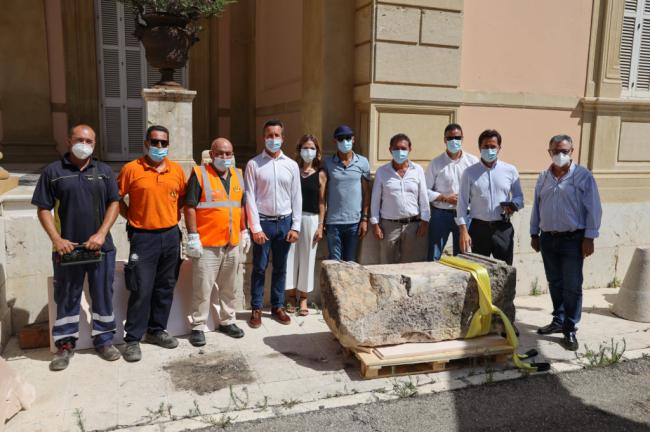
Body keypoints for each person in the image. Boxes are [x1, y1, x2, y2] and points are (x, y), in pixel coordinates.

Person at [32, 124, 121, 371]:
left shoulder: (103, 171)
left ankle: (104, 341)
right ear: (68, 140)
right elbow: (43, 209)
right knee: (67, 297)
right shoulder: (53, 172)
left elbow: (115, 203)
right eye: (80, 139)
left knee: (103, 295)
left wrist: (102, 234)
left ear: (95, 144)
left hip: (100, 248)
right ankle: (64, 346)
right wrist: (57, 240)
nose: (84, 144)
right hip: (67, 250)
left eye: (89, 141)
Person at [117, 125, 186, 362]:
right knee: (141, 287)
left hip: (170, 236)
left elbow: (183, 200)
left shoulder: (176, 170)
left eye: (163, 143)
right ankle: (133, 339)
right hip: (142, 238)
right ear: (146, 143)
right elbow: (116, 198)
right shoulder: (131, 169)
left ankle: (157, 330)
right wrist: (132, 217)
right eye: (155, 142)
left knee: (165, 285)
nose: (159, 147)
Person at [530, 135, 602, 351]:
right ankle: (558, 320)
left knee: (572, 285)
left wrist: (589, 237)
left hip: (573, 240)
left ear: (572, 151)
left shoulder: (583, 176)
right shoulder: (543, 177)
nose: (560, 155)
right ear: (549, 151)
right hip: (548, 239)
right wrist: (534, 234)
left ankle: (570, 328)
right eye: (555, 151)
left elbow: (594, 209)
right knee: (555, 282)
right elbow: (537, 206)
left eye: (565, 151)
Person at [184, 138, 250, 347]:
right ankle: (198, 325)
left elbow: (240, 207)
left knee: (229, 287)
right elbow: (190, 206)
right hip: (207, 244)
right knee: (202, 288)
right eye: (220, 153)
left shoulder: (238, 175)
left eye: (228, 153)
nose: (224, 157)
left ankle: (227, 321)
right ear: (211, 155)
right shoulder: (199, 174)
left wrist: (244, 230)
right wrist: (192, 235)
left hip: (232, 243)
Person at [245, 119, 301, 328]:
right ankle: (257, 307)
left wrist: (296, 226)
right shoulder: (254, 164)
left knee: (281, 267)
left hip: (285, 223)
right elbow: (249, 197)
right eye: (270, 135)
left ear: (283, 138)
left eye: (277, 135)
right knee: (259, 267)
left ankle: (278, 306)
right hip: (264, 224)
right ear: (263, 137)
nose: (273, 139)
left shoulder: (291, 165)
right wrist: (256, 228)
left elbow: (297, 197)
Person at [456, 129, 524, 265]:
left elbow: (519, 198)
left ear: (499, 148)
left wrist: (513, 205)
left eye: (493, 146)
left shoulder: (510, 170)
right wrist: (463, 230)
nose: (489, 150)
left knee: (505, 271)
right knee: (478, 271)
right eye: (485, 146)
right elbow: (462, 203)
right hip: (478, 229)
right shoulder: (469, 173)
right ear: (479, 148)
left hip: (503, 228)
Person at [370, 133, 429, 264]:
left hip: (413, 226)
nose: (400, 152)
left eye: (403, 148)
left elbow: (423, 196)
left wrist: (425, 221)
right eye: (396, 148)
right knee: (386, 264)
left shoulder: (417, 170)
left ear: (410, 149)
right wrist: (375, 224)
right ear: (390, 149)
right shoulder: (382, 172)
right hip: (389, 226)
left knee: (410, 265)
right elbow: (375, 200)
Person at [285, 135, 326, 315]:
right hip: (293, 218)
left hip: (311, 219)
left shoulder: (321, 175)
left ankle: (303, 299)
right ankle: (291, 296)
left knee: (308, 258)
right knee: (290, 258)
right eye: (305, 147)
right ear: (299, 150)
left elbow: (322, 202)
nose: (308, 151)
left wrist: (320, 226)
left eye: (312, 148)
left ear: (317, 152)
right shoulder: (293, 170)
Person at [425, 123, 479, 260]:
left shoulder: (473, 162)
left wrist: (466, 198)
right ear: (444, 140)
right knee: (434, 256)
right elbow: (424, 190)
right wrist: (444, 198)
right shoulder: (436, 163)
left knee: (464, 256)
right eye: (450, 138)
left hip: (465, 215)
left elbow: (479, 188)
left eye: (457, 137)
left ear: (462, 138)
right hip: (440, 215)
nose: (454, 141)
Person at [322, 125, 371, 261]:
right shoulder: (328, 163)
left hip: (354, 222)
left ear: (353, 139)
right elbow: (322, 192)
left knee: (351, 263)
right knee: (334, 264)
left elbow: (367, 192)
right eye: (341, 139)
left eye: (348, 138)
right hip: (333, 222)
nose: (345, 142)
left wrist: (365, 219)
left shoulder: (363, 162)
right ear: (335, 141)